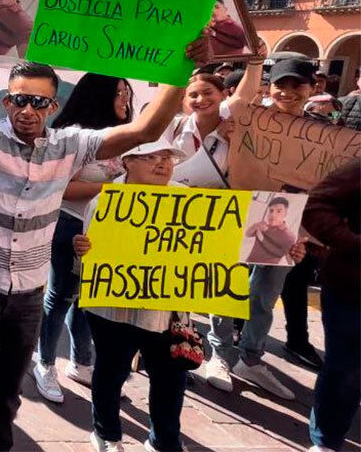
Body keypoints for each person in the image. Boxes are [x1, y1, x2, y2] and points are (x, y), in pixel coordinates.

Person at [0, 0, 211, 452]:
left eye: (39, 102)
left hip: (28, 289)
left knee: (9, 385)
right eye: (19, 100)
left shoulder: (73, 144)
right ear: (7, 101)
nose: (27, 110)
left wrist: (179, 71)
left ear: (53, 106)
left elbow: (145, 131)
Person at [73, 139, 267, 452]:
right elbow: (90, 266)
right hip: (113, 311)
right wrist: (82, 250)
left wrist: (285, 247)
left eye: (167, 157)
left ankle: (163, 441)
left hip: (169, 312)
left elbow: (232, 243)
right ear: (127, 162)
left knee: (170, 379)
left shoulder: (188, 200)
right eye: (151, 157)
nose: (162, 164)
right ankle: (106, 434)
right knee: (111, 372)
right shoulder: (103, 203)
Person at [164, 55, 264, 393]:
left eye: (208, 93)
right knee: (176, 283)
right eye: (193, 95)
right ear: (184, 99)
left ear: (222, 95)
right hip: (179, 216)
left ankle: (218, 355)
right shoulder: (176, 127)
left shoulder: (234, 123)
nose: (200, 100)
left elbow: (248, 92)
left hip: (222, 219)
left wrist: (256, 61)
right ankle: (173, 343)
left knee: (219, 284)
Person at [32, 74, 133, 405]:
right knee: (60, 295)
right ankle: (44, 362)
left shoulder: (122, 139)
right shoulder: (74, 137)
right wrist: (112, 189)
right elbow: (60, 188)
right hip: (70, 225)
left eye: (127, 94)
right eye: (119, 93)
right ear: (99, 96)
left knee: (88, 297)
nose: (125, 100)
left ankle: (82, 362)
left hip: (107, 231)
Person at [232, 57, 323, 396]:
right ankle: (221, 353)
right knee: (229, 286)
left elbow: (324, 184)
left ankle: (251, 358)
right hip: (245, 211)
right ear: (269, 87)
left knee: (265, 295)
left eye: (296, 85)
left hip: (290, 221)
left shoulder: (321, 130)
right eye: (280, 84)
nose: (287, 92)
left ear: (312, 87)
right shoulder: (251, 120)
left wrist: (306, 232)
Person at [304, 160, 360, 452]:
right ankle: (326, 439)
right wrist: (353, 243)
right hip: (351, 292)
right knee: (346, 371)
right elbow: (316, 207)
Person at [242, 197, 299, 264]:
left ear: (285, 213)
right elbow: (247, 234)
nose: (273, 214)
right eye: (271, 211)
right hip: (248, 262)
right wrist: (255, 226)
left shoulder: (289, 236)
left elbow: (288, 258)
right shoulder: (262, 225)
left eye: (278, 211)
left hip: (266, 270)